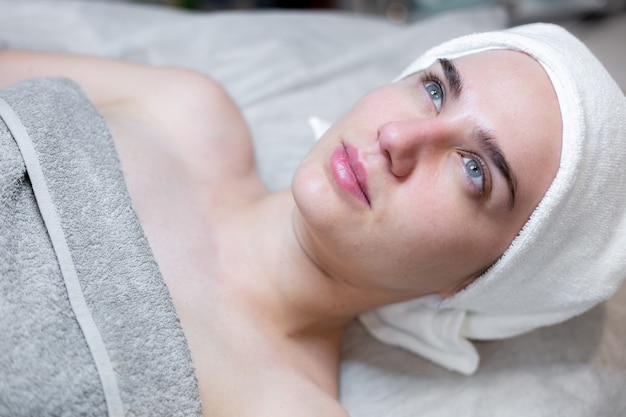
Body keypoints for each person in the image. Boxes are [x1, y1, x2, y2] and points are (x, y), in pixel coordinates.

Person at [0, 22, 624, 417]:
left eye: (473, 171)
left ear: (482, 281)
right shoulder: (189, 110)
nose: (398, 136)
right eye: (435, 89)